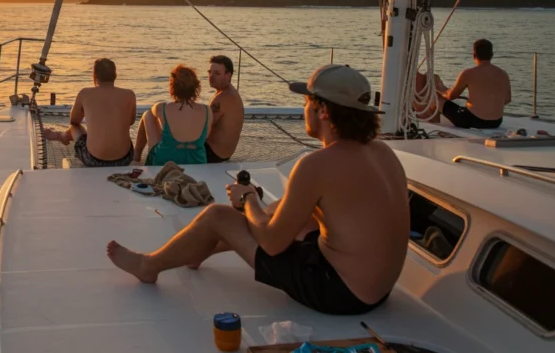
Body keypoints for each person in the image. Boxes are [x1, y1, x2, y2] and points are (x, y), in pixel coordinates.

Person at [107, 64, 409, 316]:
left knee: (216, 217)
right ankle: (198, 250)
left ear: (322, 110)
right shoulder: (383, 152)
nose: (304, 107)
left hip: (339, 293)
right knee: (284, 212)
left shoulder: (318, 165)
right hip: (378, 290)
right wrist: (261, 210)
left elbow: (273, 244)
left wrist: (248, 199)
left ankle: (149, 266)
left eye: (306, 102)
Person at [43, 58, 136, 167]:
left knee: (75, 128)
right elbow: (130, 121)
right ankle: (63, 136)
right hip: (125, 159)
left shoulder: (85, 93)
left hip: (93, 159)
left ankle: (63, 136)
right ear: (115, 75)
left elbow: (74, 121)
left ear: (94, 76)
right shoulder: (129, 94)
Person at [134, 65, 211, 165]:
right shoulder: (207, 110)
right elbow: (206, 135)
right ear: (195, 87)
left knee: (147, 114)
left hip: (165, 161)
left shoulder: (162, 108)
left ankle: (136, 158)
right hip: (197, 160)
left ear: (172, 86)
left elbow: (153, 112)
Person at [439, 39, 511, 129]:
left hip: (472, 121)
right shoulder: (503, 74)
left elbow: (451, 96)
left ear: (474, 55)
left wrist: (441, 90)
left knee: (437, 99)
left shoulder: (468, 73)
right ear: (492, 55)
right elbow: (507, 99)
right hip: (496, 122)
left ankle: (429, 122)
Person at [206, 55, 244, 162]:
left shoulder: (222, 98)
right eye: (210, 72)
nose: (211, 76)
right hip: (223, 154)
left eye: (217, 73)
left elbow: (203, 127)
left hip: (213, 154)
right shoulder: (230, 93)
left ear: (228, 75)